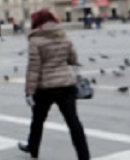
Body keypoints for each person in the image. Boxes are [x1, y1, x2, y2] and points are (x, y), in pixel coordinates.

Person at [19, 9, 89, 159]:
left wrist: (29, 91)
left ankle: (33, 149)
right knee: (73, 122)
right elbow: (73, 59)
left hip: (45, 88)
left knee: (38, 120)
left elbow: (34, 67)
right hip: (66, 84)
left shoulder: (35, 40)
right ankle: (84, 155)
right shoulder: (63, 36)